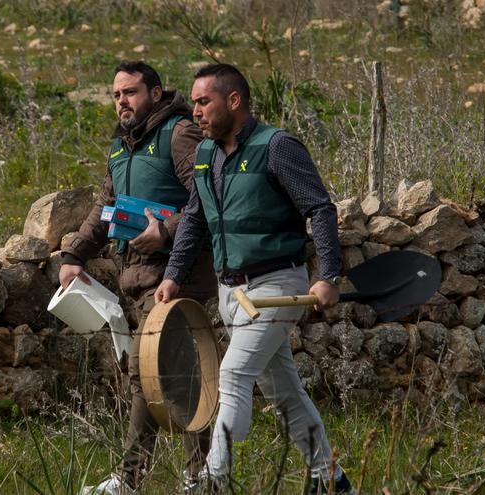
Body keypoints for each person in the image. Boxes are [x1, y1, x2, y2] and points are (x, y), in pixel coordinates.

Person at [155, 63, 356, 494]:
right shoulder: (206, 154)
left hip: (277, 286)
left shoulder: (277, 147)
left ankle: (214, 481)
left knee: (233, 375)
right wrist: (173, 274)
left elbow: (319, 209)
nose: (195, 111)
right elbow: (194, 217)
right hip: (232, 293)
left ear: (234, 101)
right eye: (193, 102)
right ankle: (331, 480)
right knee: (284, 392)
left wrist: (329, 276)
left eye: (203, 101)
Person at [60, 61, 217, 495]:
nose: (122, 102)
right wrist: (75, 254)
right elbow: (104, 209)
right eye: (116, 95)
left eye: (130, 92)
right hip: (136, 278)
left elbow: (207, 198)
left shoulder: (178, 134)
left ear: (155, 92)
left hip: (175, 277)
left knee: (156, 372)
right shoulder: (119, 148)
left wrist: (165, 231)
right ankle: (194, 478)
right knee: (164, 373)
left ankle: (160, 478)